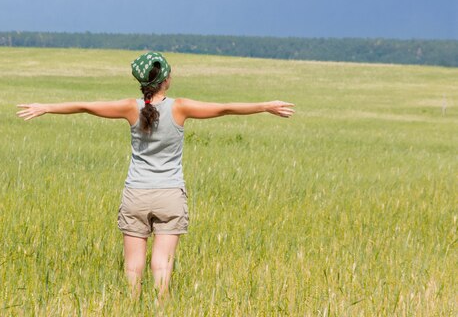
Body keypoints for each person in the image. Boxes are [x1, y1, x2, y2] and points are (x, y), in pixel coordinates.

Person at [16, 51, 295, 298]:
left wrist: (46, 107)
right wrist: (265, 106)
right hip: (170, 195)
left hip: (136, 194)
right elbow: (224, 109)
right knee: (162, 264)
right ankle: (162, 306)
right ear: (166, 79)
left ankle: (132, 306)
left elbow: (86, 106)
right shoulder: (180, 107)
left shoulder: (129, 108)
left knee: (132, 267)